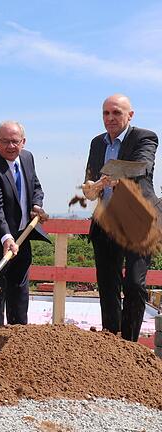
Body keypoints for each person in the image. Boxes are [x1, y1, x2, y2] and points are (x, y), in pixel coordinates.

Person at [82, 94, 159, 342]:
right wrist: (90, 188)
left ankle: (129, 345)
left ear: (130, 115)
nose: (110, 118)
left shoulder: (144, 137)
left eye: (116, 113)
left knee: (135, 285)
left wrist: (110, 176)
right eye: (106, 113)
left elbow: (141, 167)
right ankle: (111, 342)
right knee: (107, 285)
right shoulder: (97, 143)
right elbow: (91, 179)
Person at [0, 121, 50, 325]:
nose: (10, 146)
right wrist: (6, 237)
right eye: (4, 141)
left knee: (19, 295)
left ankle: (17, 341)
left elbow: (36, 186)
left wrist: (36, 204)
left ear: (23, 142)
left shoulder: (27, 158)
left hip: (22, 237)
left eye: (15, 141)